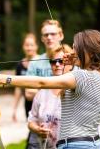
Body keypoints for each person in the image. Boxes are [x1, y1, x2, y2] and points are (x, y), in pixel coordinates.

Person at [0, 29, 100, 149]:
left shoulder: (82, 77)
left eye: (75, 49)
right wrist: (76, 61)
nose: (72, 53)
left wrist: (1, 78)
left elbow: (41, 82)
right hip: (95, 143)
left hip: (75, 144)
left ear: (88, 52)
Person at [25, 19, 64, 148]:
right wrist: (50, 92)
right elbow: (28, 93)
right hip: (39, 122)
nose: (49, 37)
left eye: (53, 34)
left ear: (61, 35)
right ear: (41, 38)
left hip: (62, 125)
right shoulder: (35, 61)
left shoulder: (68, 58)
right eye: (46, 35)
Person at [27, 44, 73, 149]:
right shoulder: (42, 92)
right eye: (53, 61)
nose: (57, 64)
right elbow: (31, 121)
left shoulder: (76, 91)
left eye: (61, 61)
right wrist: (38, 129)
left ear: (70, 63)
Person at [12, 33, 39, 122]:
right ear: (23, 46)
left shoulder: (42, 62)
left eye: (31, 45)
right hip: (28, 103)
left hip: (42, 103)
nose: (29, 48)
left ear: (36, 46)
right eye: (27, 45)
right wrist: (14, 109)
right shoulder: (20, 65)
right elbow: (18, 88)